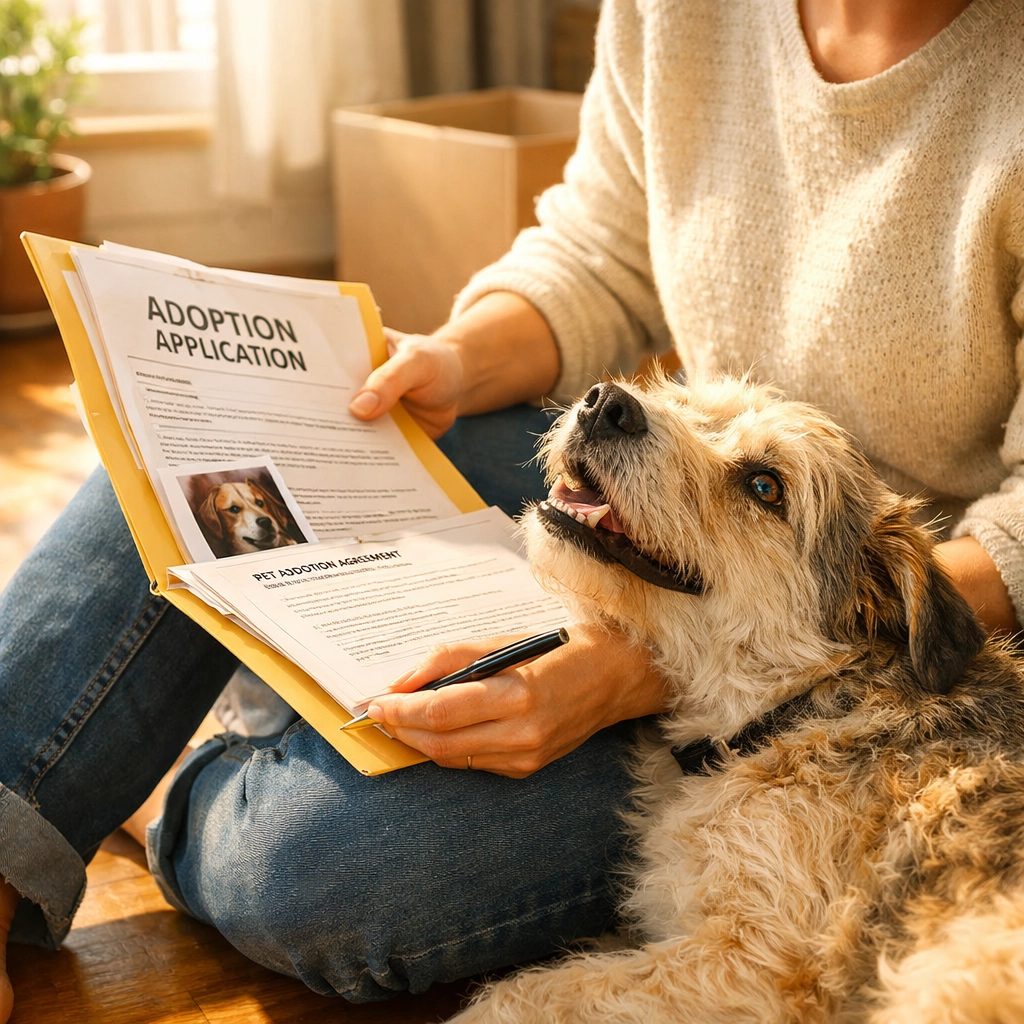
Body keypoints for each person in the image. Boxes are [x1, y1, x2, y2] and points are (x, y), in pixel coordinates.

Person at [2, 0, 1022, 1018]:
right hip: (670, 512)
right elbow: (599, 250)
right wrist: (452, 358)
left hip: (852, 626)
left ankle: (177, 774)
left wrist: (640, 666)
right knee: (224, 429)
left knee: (317, 870)